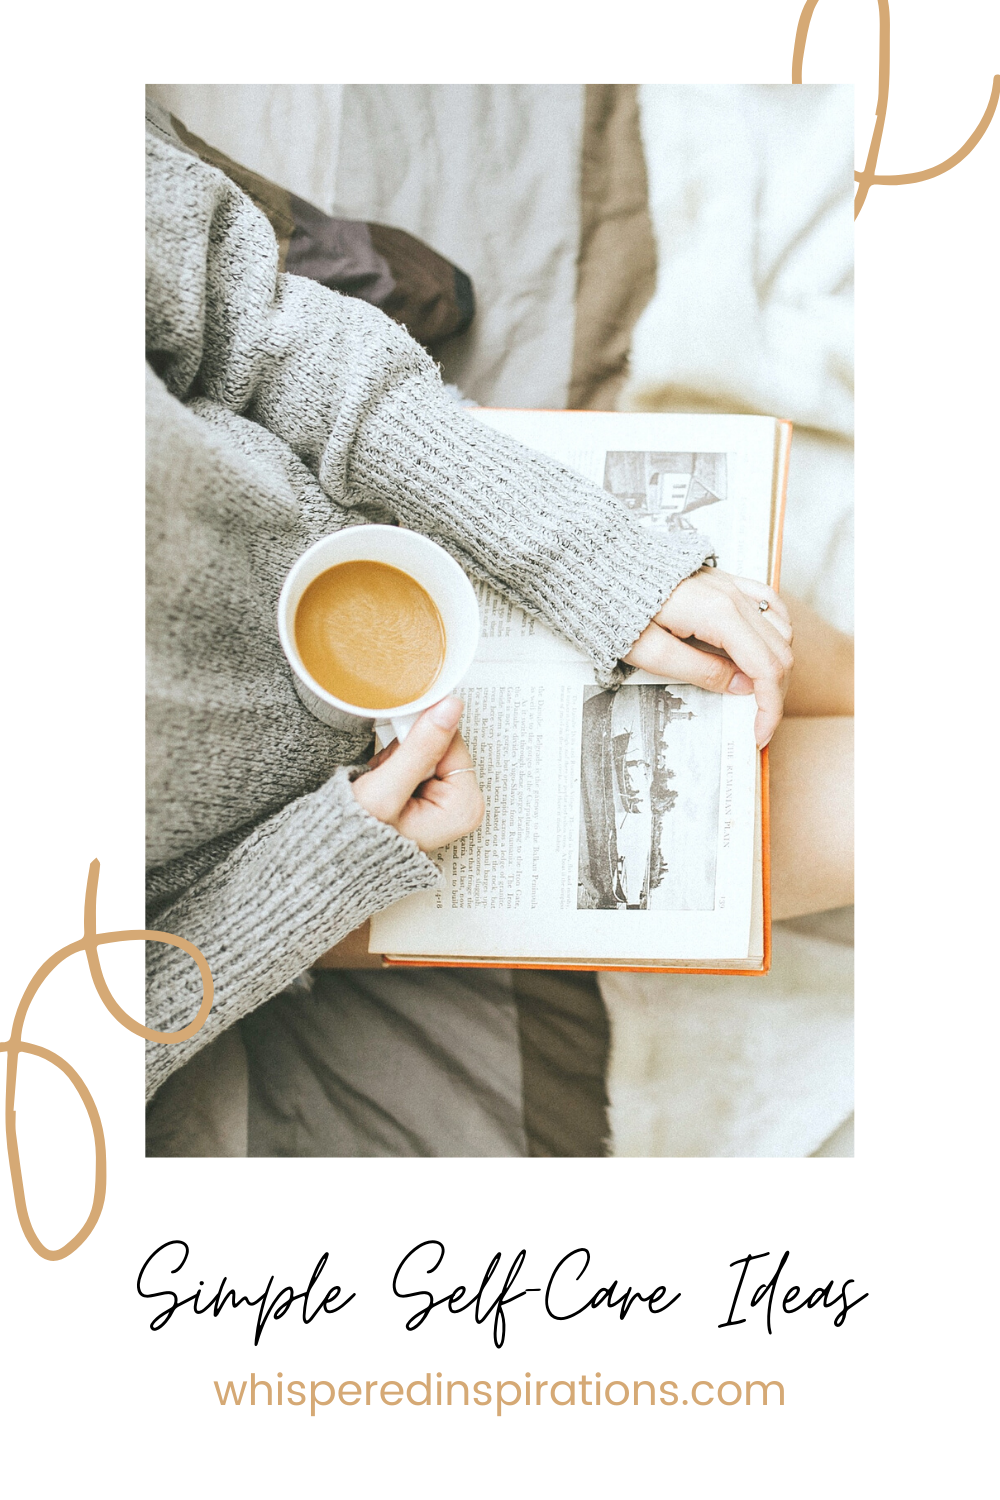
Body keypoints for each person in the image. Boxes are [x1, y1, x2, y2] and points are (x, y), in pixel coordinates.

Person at [145, 104, 850, 1150]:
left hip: (406, 527)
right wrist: (308, 879)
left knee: (779, 655)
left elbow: (233, 305)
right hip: (300, 848)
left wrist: (585, 552)